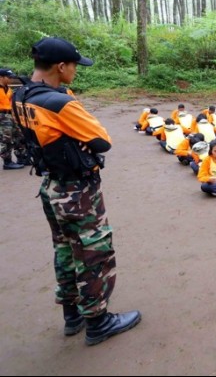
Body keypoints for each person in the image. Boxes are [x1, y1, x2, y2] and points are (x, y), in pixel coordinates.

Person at [12, 37, 140, 345]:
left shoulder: (20, 95)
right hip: (77, 190)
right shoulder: (60, 103)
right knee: (93, 251)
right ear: (60, 66)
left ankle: (72, 314)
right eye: (74, 66)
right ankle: (97, 321)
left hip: (51, 185)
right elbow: (102, 140)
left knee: (65, 249)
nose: (76, 71)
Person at [0, 68, 26, 169]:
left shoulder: (8, 89)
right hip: (2, 116)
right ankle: (7, 162)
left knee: (19, 136)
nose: (11, 79)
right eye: (9, 77)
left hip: (11, 115)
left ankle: (21, 157)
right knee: (5, 139)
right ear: (1, 77)